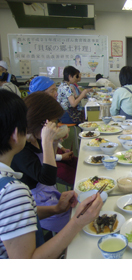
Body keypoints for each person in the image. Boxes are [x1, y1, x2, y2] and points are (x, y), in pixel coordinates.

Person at [0, 90, 102, 259]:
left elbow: (19, 214)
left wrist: (55, 208)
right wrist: (77, 221)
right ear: (15, 134)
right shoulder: (13, 191)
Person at [11, 92, 72, 234]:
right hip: (35, 203)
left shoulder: (36, 136)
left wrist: (55, 141)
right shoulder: (21, 149)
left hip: (47, 193)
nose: (55, 125)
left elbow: (48, 161)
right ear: (42, 122)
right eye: (53, 121)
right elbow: (48, 178)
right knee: (73, 223)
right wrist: (47, 140)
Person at [29, 76, 78, 186]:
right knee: (74, 175)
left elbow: (49, 140)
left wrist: (59, 144)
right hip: (48, 161)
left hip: (52, 152)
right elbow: (42, 152)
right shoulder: (34, 119)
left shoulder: (46, 111)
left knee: (78, 162)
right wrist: (61, 157)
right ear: (40, 93)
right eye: (52, 91)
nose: (56, 94)